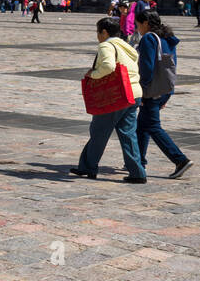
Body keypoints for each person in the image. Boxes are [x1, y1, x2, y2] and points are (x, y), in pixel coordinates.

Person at [71, 17, 146, 183]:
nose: (97, 36)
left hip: (116, 95)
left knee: (99, 131)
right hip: (134, 93)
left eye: (98, 32)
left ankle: (88, 167)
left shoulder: (106, 45)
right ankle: (138, 173)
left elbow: (109, 66)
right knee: (128, 134)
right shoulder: (126, 46)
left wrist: (93, 74)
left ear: (104, 32)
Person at [135, 11, 192, 179]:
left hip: (151, 90)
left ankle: (180, 159)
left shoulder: (149, 38)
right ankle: (138, 161)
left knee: (153, 127)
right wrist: (168, 93)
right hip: (164, 89)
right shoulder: (167, 37)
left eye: (138, 25)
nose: (138, 29)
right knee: (142, 127)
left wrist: (142, 90)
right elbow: (171, 66)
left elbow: (147, 67)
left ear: (145, 23)